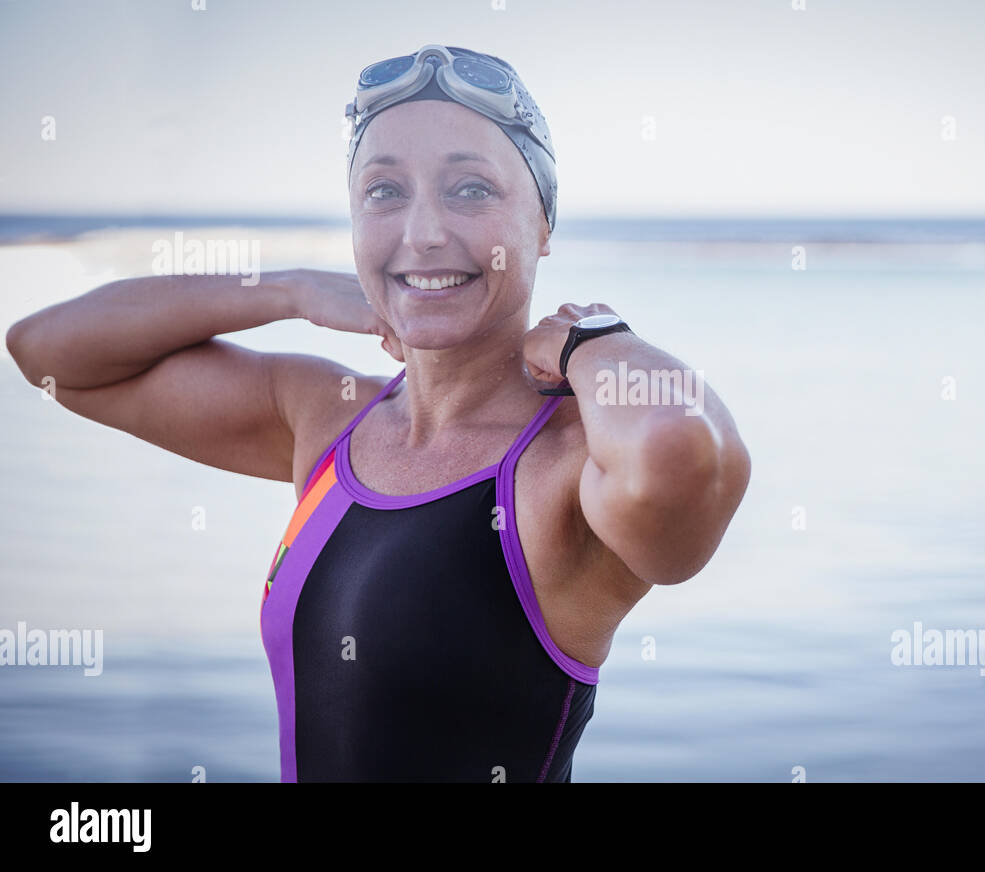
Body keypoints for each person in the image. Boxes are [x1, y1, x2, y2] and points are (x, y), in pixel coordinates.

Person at [5, 44, 750, 782]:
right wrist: (287, 289)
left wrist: (595, 340)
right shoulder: (325, 422)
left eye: (469, 190)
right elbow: (48, 352)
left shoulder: (563, 469)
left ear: (543, 225)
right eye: (385, 193)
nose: (422, 233)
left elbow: (680, 457)